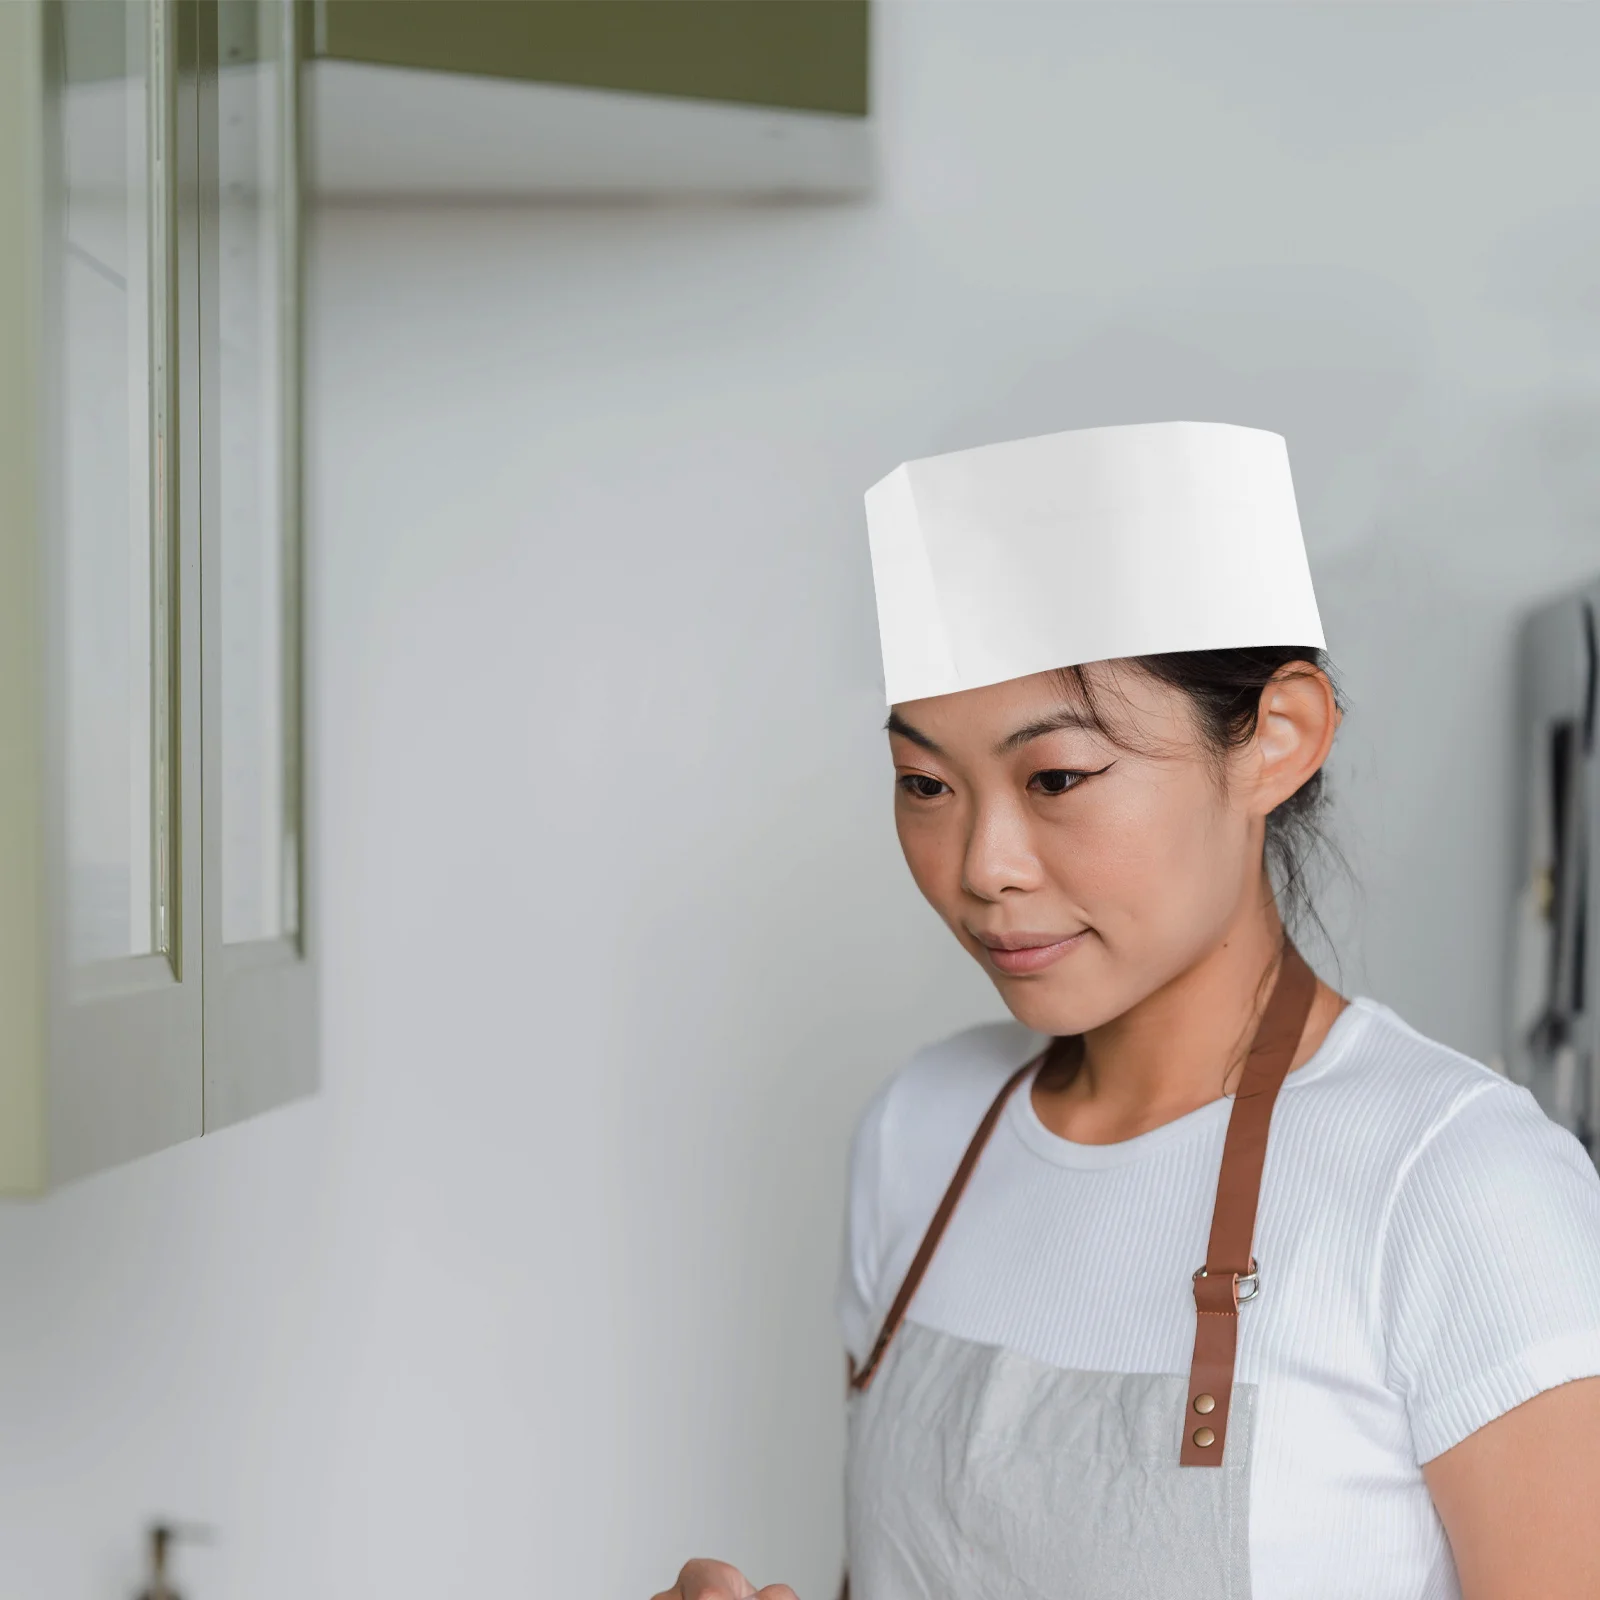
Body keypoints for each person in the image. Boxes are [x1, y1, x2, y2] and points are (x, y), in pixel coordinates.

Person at [652, 422, 1600, 1600]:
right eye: (924, 783)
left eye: (1055, 777)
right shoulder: (920, 1135)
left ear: (1277, 739)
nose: (984, 863)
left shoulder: (1455, 1184)